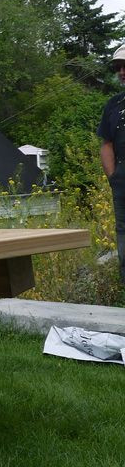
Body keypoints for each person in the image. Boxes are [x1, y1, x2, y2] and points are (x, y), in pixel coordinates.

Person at [99, 44, 125, 287]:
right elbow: (106, 143)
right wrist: (114, 177)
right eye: (119, 67)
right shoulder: (114, 104)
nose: (122, 71)